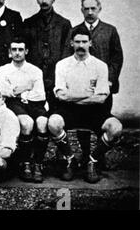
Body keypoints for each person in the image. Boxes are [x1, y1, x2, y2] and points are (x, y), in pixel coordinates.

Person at [47, 28, 123, 183]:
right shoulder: (62, 65)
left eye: (84, 41)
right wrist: (88, 94)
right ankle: (71, 159)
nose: (81, 45)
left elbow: (101, 98)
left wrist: (72, 95)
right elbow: (61, 95)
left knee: (116, 128)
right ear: (71, 43)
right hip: (69, 111)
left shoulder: (100, 65)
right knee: (53, 123)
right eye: (77, 42)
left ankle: (92, 160)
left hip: (94, 111)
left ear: (90, 43)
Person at [64, 0, 124, 166]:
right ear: (81, 10)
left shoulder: (110, 30)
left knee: (100, 119)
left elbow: (117, 57)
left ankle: (99, 157)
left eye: (93, 8)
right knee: (83, 121)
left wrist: (110, 80)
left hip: (103, 86)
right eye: (86, 9)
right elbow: (68, 58)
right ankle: (85, 153)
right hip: (80, 86)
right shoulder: (75, 31)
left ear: (99, 9)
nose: (90, 12)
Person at [0, 37, 48, 183]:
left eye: (20, 50)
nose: (17, 53)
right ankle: (25, 162)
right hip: (14, 103)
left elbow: (40, 94)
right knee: (26, 123)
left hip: (35, 103)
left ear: (26, 51)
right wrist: (28, 86)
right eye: (14, 50)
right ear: (9, 52)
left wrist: (21, 89)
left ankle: (38, 163)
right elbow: (6, 92)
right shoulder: (3, 70)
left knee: (43, 122)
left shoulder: (35, 70)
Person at [23, 0, 72, 112]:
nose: (44, 1)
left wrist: (61, 72)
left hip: (55, 74)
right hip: (35, 74)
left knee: (57, 110)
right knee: (35, 109)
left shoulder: (64, 23)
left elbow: (67, 50)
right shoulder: (29, 22)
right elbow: (25, 49)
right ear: (37, 0)